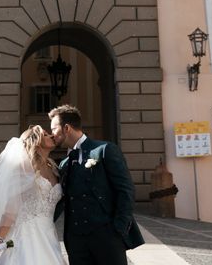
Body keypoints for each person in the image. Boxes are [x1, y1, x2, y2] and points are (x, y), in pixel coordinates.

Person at [49, 104, 144, 265]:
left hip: (107, 237)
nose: (51, 134)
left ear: (66, 128)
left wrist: (118, 229)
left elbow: (125, 190)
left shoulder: (104, 150)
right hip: (75, 241)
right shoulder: (65, 163)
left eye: (53, 129)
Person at [0, 125, 66, 265]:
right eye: (46, 134)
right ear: (36, 141)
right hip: (26, 236)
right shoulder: (24, 169)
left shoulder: (53, 168)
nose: (51, 136)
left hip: (49, 234)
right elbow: (11, 208)